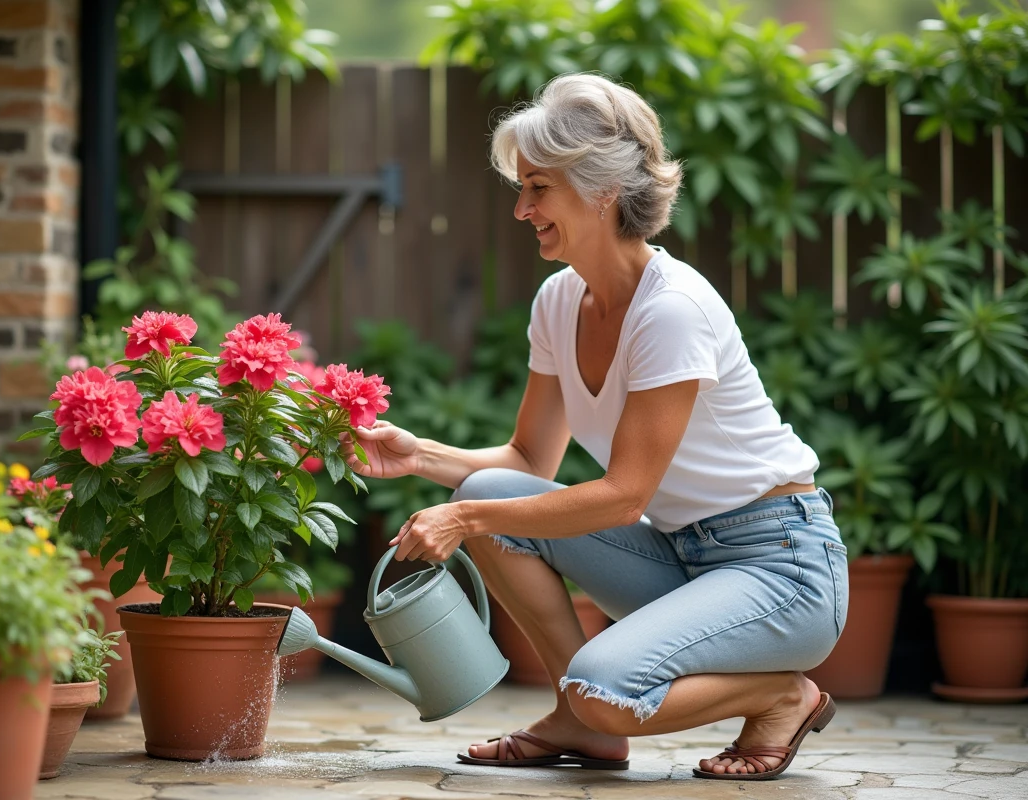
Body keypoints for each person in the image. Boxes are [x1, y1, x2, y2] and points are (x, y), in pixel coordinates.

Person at [345, 73, 846, 782]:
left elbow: (623, 497)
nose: (521, 209)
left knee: (603, 688)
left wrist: (462, 516)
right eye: (521, 190)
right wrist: (416, 456)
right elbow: (528, 458)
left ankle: (781, 695)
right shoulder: (558, 301)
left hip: (781, 567)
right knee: (496, 491)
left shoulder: (671, 310)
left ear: (602, 189)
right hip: (682, 560)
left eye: (538, 189)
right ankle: (581, 723)